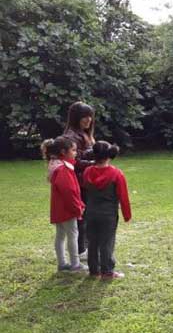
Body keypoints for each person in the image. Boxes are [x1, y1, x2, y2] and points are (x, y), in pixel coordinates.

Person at [82, 141, 131, 279]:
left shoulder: (87, 172)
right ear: (109, 155)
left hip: (91, 212)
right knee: (107, 242)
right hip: (108, 214)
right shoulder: (116, 174)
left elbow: (85, 189)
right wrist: (127, 215)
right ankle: (107, 271)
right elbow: (123, 196)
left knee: (92, 241)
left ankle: (93, 270)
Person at [42, 136, 87, 273]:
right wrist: (77, 207)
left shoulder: (56, 166)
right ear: (63, 151)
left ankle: (62, 263)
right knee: (73, 234)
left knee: (61, 235)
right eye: (73, 150)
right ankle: (75, 264)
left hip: (59, 208)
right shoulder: (63, 169)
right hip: (67, 209)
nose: (76, 153)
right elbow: (69, 191)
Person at [63, 102, 96, 258]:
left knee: (88, 215)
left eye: (90, 116)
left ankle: (85, 246)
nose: (88, 119)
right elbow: (72, 161)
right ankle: (81, 249)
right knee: (81, 215)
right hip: (78, 182)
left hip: (87, 181)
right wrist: (93, 163)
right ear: (76, 117)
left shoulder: (85, 134)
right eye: (84, 116)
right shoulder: (71, 136)